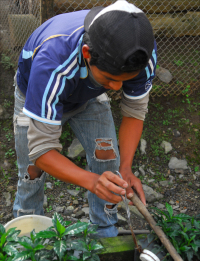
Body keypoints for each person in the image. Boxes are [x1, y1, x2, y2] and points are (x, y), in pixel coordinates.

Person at [13, 0, 157, 238]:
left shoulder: (141, 50)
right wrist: (91, 181)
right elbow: (41, 150)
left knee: (108, 159)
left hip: (88, 96)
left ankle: (105, 232)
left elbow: (134, 111)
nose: (117, 87)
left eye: (125, 79)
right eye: (110, 78)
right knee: (31, 174)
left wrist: (125, 170)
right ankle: (27, 240)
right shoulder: (53, 59)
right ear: (87, 54)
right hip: (35, 96)